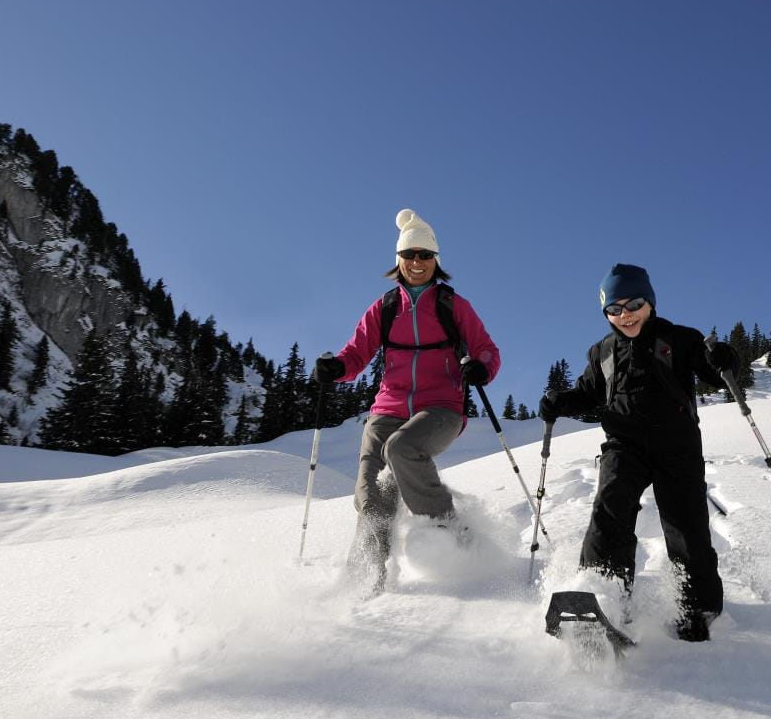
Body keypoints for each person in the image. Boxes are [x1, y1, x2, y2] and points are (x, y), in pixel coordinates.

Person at [540, 264, 742, 641]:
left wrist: (724, 359)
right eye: (613, 309)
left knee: (685, 525)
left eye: (633, 304)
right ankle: (604, 595)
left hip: (676, 444)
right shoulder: (602, 351)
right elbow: (587, 394)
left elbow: (715, 371)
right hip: (623, 444)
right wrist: (559, 401)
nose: (624, 314)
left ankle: (697, 604)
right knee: (609, 511)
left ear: (649, 302)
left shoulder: (679, 338)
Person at [315, 209, 501, 589]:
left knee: (401, 449)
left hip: (442, 407)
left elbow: (486, 349)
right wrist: (337, 367)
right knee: (370, 489)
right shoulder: (384, 308)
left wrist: (481, 368)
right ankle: (368, 575)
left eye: (425, 255)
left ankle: (446, 525)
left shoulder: (453, 305)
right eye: (409, 255)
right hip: (389, 406)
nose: (417, 263)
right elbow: (356, 352)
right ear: (398, 259)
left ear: (436, 261)